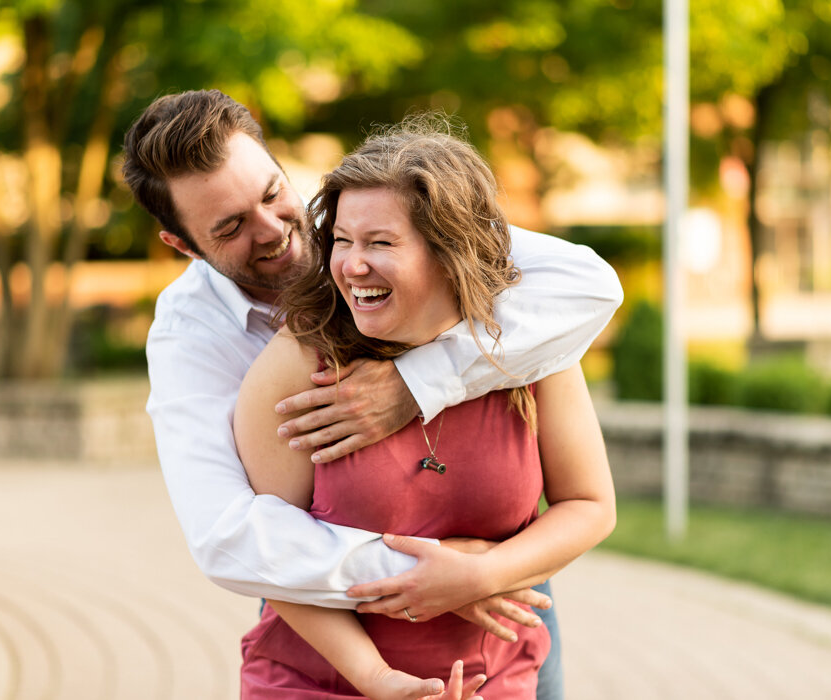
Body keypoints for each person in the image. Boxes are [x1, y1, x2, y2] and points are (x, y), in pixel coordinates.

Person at [122, 90, 623, 698]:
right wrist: (433, 577)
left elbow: (592, 285)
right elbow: (234, 539)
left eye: (273, 193)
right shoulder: (197, 340)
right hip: (334, 639)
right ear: (183, 245)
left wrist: (418, 384)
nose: (275, 230)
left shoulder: (391, 215)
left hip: (506, 618)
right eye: (229, 227)